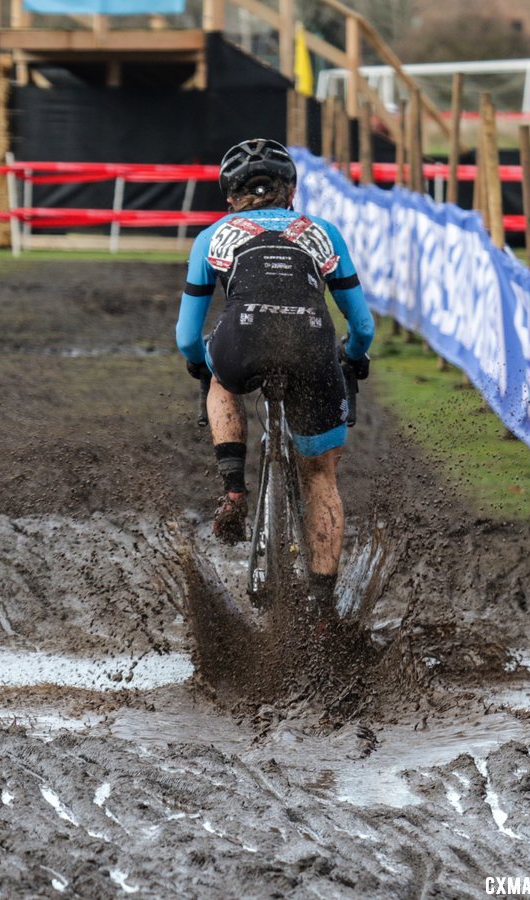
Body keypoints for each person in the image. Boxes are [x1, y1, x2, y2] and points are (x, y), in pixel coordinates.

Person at [175, 138, 374, 610]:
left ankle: (232, 487)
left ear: (230, 196)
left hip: (240, 340)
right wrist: (352, 356)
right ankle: (323, 610)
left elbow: (187, 337)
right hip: (312, 346)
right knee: (321, 477)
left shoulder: (213, 236)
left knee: (220, 376)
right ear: (292, 192)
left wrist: (203, 367)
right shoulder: (323, 232)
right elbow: (361, 325)